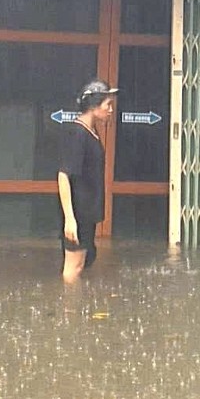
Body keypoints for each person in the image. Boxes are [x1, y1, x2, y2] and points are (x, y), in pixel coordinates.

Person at [58, 79, 117, 283]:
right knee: (73, 267)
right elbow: (64, 175)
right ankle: (68, 301)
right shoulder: (78, 133)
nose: (111, 110)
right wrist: (70, 218)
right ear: (93, 105)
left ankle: (76, 301)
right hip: (78, 213)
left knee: (84, 261)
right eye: (107, 105)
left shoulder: (91, 132)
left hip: (86, 213)